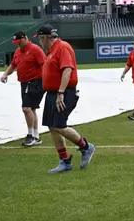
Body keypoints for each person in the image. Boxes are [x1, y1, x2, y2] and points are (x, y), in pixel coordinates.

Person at [35, 24, 95, 173]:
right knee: (51, 125)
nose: (39, 43)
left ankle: (86, 147)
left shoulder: (62, 47)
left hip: (63, 92)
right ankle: (64, 161)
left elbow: (67, 70)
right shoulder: (52, 50)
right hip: (52, 93)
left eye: (40, 39)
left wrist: (60, 93)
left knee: (59, 125)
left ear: (45, 38)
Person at [0, 31, 47, 146]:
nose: (18, 44)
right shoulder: (17, 51)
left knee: (26, 108)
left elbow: (44, 65)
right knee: (31, 109)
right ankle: (36, 135)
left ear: (25, 38)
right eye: (16, 43)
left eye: (19, 42)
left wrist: (46, 81)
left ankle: (31, 134)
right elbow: (13, 65)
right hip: (24, 82)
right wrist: (6, 74)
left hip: (35, 81)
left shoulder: (35, 50)